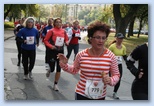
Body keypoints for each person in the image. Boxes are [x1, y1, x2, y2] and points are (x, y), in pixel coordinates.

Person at [57, 21, 120, 100]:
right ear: (90, 38)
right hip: (82, 94)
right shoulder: (81, 55)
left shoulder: (110, 56)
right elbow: (74, 70)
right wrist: (64, 65)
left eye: (103, 38)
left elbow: (116, 75)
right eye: (97, 37)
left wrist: (110, 80)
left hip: (100, 96)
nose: (101, 41)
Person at [44, 18, 69, 91]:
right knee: (52, 69)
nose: (58, 24)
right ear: (54, 23)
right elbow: (45, 40)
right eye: (57, 22)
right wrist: (51, 46)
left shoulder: (64, 31)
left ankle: (55, 84)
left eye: (60, 22)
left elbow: (66, 39)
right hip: (53, 51)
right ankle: (49, 70)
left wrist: (67, 42)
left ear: (61, 23)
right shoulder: (51, 31)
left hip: (60, 51)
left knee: (59, 68)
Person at [108, 33, 127, 99]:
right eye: (119, 38)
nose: (120, 40)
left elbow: (124, 56)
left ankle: (115, 92)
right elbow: (108, 55)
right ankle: (101, 90)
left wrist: (128, 62)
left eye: (122, 38)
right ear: (116, 38)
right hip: (111, 65)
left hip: (119, 65)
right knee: (109, 78)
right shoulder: (112, 46)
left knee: (119, 78)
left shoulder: (123, 47)